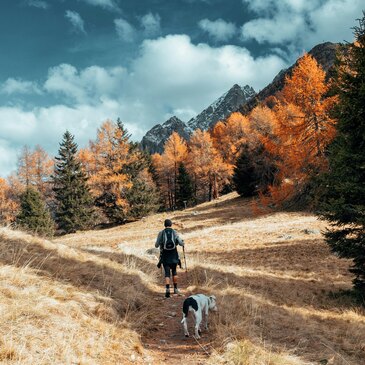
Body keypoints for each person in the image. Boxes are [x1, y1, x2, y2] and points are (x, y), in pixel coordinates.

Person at [155, 219, 184, 298]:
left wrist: (161, 243)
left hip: (165, 255)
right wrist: (182, 242)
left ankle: (167, 289)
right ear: (171, 224)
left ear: (164, 225)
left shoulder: (161, 233)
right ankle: (175, 289)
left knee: (167, 273)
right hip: (174, 255)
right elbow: (181, 243)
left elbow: (156, 245)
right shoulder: (174, 232)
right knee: (174, 271)